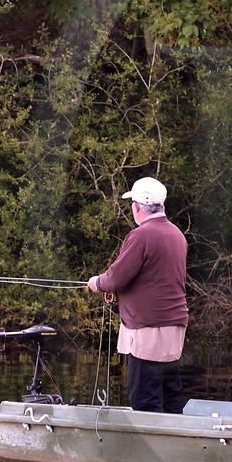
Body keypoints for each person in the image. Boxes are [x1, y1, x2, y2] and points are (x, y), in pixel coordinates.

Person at [87, 176, 189, 413]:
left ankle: (151, 447)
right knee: (170, 395)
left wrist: (97, 283)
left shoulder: (141, 235)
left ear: (136, 207)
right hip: (175, 328)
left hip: (148, 329)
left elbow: (116, 277)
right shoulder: (177, 235)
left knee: (144, 398)